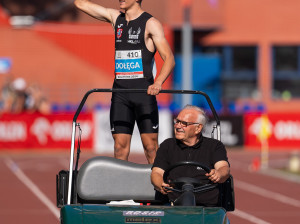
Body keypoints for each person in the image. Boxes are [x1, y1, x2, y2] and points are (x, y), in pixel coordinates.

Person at [74, 0, 175, 164]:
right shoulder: (116, 18)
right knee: (120, 147)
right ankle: (121, 188)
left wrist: (158, 83)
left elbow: (169, 59)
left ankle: (156, 188)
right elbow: (80, 4)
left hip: (144, 94)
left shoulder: (151, 23)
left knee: (151, 148)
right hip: (120, 94)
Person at [151, 105, 230, 206]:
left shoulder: (214, 146)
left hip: (205, 206)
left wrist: (219, 174)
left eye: (184, 123)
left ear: (198, 128)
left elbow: (224, 168)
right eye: (177, 121)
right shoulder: (167, 145)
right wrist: (160, 184)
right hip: (172, 204)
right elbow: (156, 172)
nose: (178, 126)